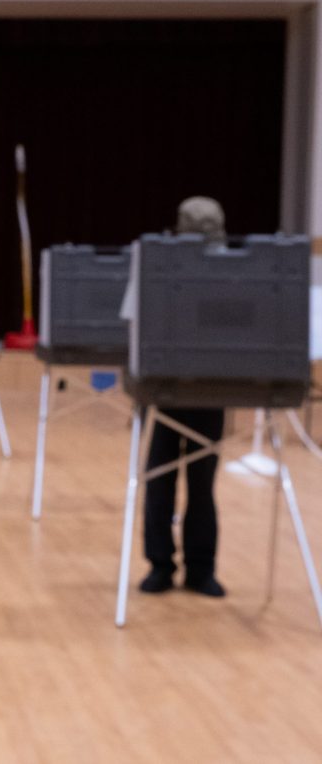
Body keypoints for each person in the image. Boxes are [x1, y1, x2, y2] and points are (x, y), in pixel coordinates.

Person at [124, 197, 228, 597]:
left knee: (201, 482)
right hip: (167, 387)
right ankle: (161, 565)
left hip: (212, 387)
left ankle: (200, 569)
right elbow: (134, 322)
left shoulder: (231, 271)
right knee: (160, 477)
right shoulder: (156, 266)